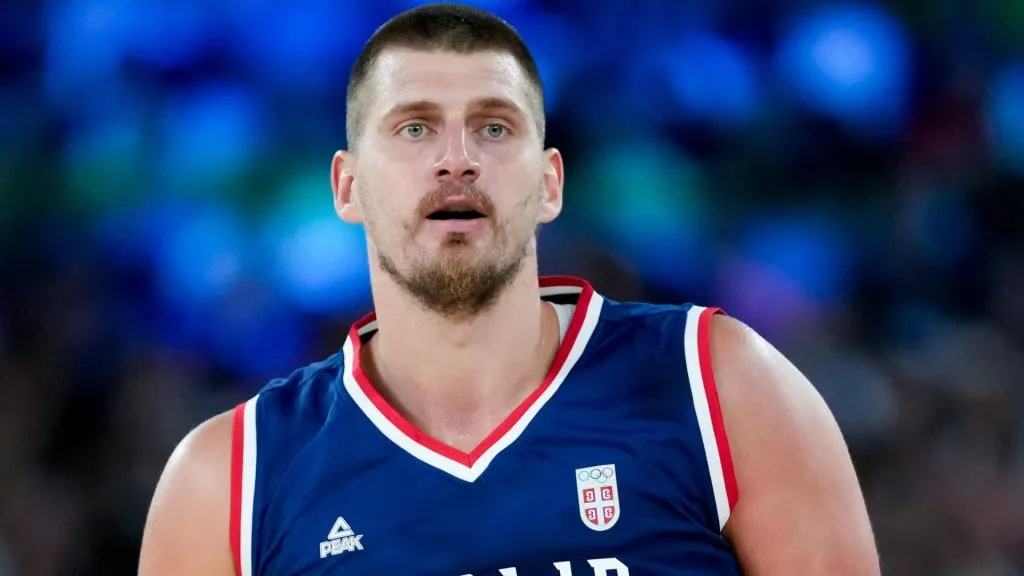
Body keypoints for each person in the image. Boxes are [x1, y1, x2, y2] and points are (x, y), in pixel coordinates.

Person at [138, 3, 880, 575]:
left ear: (550, 182)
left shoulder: (719, 381)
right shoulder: (232, 478)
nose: (456, 159)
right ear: (347, 185)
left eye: (494, 129)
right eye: (413, 128)